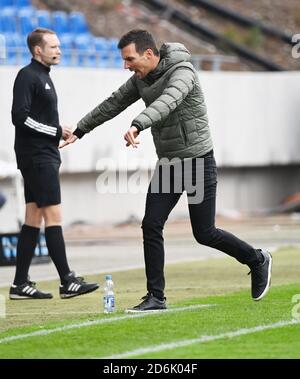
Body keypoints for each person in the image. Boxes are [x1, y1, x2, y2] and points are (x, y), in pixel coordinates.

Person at [61, 29, 272, 311]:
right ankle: (156, 297)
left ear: (149, 54)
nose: (126, 66)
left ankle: (257, 259)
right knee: (151, 224)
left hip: (198, 161)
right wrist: (80, 129)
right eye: (124, 61)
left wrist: (138, 123)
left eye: (130, 59)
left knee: (204, 233)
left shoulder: (182, 72)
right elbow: (113, 103)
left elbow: (168, 100)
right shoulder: (140, 79)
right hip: (170, 163)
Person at [10, 28, 99, 300]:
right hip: (37, 157)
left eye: (59, 46)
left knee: (33, 218)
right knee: (54, 217)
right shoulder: (28, 75)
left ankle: (20, 284)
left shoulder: (43, 76)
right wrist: (56, 130)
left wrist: (55, 131)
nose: (58, 50)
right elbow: (20, 117)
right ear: (38, 50)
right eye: (53, 47)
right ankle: (67, 280)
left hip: (41, 155)